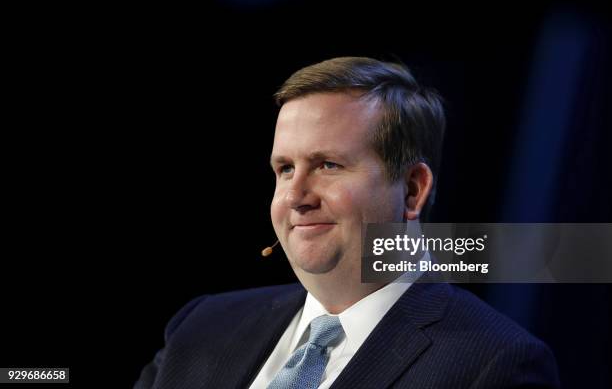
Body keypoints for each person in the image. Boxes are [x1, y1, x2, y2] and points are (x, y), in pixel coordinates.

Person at [135, 57, 560, 388]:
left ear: (412, 189)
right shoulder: (203, 326)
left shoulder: (495, 363)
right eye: (284, 169)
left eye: (328, 165)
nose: (295, 197)